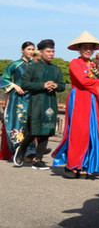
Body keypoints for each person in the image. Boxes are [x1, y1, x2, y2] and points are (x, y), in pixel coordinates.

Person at [52, 32, 99, 177]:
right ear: (79, 48)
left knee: (92, 132)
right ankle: (72, 164)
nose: (88, 50)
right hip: (79, 100)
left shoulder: (95, 66)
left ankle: (85, 164)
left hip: (93, 101)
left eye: (91, 47)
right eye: (85, 47)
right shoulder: (75, 63)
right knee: (79, 132)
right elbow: (84, 81)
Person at [18, 39, 66, 170]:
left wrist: (55, 85)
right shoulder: (32, 67)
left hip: (50, 102)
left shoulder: (56, 69)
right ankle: (21, 150)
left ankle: (38, 160)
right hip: (37, 101)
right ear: (41, 52)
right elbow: (25, 84)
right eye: (48, 51)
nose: (51, 54)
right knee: (33, 130)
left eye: (53, 51)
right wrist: (42, 85)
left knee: (47, 130)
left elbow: (62, 86)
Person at [1, 41, 34, 161]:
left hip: (30, 97)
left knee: (30, 123)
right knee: (16, 122)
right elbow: (4, 79)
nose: (31, 52)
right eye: (28, 49)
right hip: (17, 98)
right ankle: (16, 149)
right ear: (22, 50)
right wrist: (15, 86)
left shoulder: (35, 65)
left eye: (32, 49)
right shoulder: (15, 65)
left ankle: (30, 150)